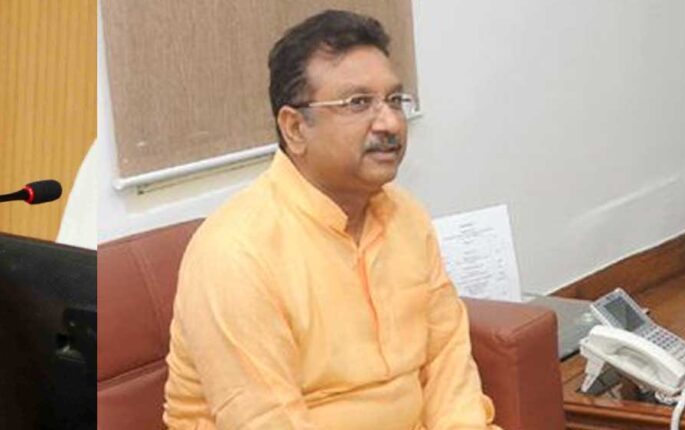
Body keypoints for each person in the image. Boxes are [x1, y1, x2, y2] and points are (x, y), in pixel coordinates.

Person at [164, 9, 500, 430]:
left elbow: (448, 367)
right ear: (295, 128)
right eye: (358, 103)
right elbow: (266, 420)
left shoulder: (407, 216)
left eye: (394, 100)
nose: (390, 123)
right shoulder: (236, 252)